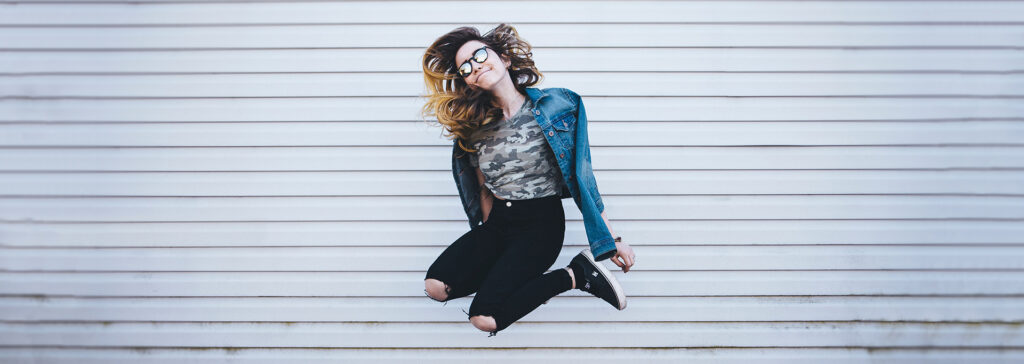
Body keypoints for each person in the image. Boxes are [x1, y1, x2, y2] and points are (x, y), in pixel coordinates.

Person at [418, 23, 636, 337]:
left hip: (541, 226)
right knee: (436, 285)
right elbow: (480, 188)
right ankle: (521, 276)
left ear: (504, 59)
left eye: (480, 54)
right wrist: (487, 237)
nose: (475, 66)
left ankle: (575, 275)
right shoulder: (472, 129)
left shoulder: (558, 107)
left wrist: (611, 240)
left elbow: (583, 177)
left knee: (485, 318)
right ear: (467, 82)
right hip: (499, 224)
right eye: (465, 67)